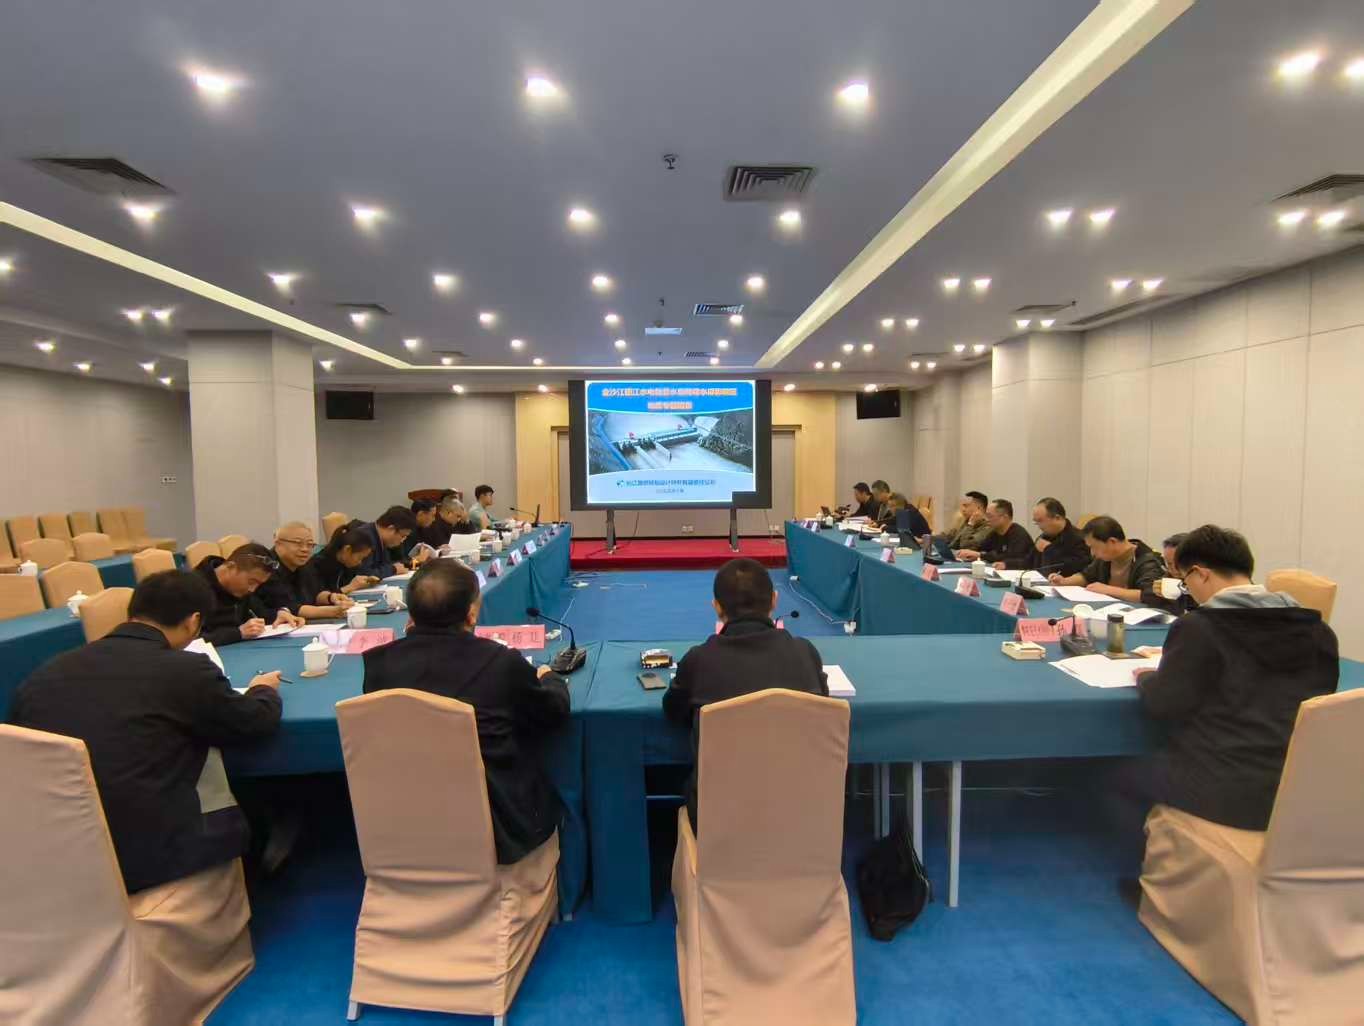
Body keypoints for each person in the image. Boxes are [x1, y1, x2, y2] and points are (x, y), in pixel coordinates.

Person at [8, 570, 284, 893]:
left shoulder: (44, 674)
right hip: (146, 856)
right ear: (194, 622)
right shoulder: (186, 670)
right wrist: (263, 690)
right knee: (243, 807)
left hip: (49, 851)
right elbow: (254, 722)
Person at [1113, 526, 1337, 858]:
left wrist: (1146, 677)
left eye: (1185, 581)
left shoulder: (1200, 628)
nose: (1188, 591)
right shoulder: (1319, 631)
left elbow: (1165, 705)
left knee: (1111, 775)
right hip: (1293, 781)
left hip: (1219, 782)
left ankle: (1160, 870)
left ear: (1200, 573)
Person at [362, 560, 570, 863]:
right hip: (500, 825)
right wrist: (551, 678)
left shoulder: (378, 664)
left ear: (411, 614)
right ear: (472, 614)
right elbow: (553, 713)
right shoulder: (501, 662)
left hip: (406, 820)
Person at [663, 558, 829, 833]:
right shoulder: (805, 653)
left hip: (717, 822)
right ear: (774, 600)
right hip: (802, 815)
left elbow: (673, 712)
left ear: (717, 607)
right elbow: (822, 707)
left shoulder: (698, 660)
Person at [195, 543, 304, 646]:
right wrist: (238, 633)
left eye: (259, 584)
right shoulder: (192, 589)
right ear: (231, 567)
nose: (252, 589)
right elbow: (190, 640)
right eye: (251, 582)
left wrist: (279, 614)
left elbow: (259, 612)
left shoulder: (241, 588)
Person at [1048, 516, 1164, 602]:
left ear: (1112, 542)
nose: (1093, 553)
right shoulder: (1106, 557)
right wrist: (1064, 581)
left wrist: (1108, 589)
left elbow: (1149, 595)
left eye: (1094, 547)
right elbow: (1087, 576)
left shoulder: (1147, 560)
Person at [256, 522, 353, 620]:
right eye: (298, 543)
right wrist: (333, 612)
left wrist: (331, 598)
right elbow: (291, 608)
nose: (305, 549)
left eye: (310, 544)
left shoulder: (305, 564)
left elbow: (316, 594)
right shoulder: (267, 568)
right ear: (278, 544)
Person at [955, 499, 1033, 568]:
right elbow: (980, 548)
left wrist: (980, 555)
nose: (986, 519)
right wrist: (971, 554)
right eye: (986, 515)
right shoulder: (994, 532)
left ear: (1004, 517)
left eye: (990, 516)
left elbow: (1010, 558)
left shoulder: (1019, 534)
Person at [305, 524, 377, 597]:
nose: (360, 562)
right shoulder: (317, 565)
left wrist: (366, 581)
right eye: (359, 558)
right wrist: (350, 587)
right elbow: (318, 598)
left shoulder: (347, 563)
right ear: (347, 550)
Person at [1027, 498, 1090, 576]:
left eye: (1040, 521)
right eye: (1036, 522)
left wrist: (1049, 550)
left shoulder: (1079, 539)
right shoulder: (1043, 537)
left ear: (1057, 518)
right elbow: (1029, 563)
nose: (1039, 526)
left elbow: (1080, 567)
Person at [355, 506, 418, 580]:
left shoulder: (382, 538)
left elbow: (385, 564)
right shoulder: (364, 537)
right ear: (391, 529)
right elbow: (363, 574)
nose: (402, 540)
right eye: (402, 536)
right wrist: (393, 569)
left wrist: (408, 563)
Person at [1142, 532, 1197, 615]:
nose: (1174, 569)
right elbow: (1146, 598)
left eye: (1178, 562)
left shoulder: (1204, 579)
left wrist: (1184, 591)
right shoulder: (1168, 577)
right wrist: (1156, 594)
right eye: (1169, 564)